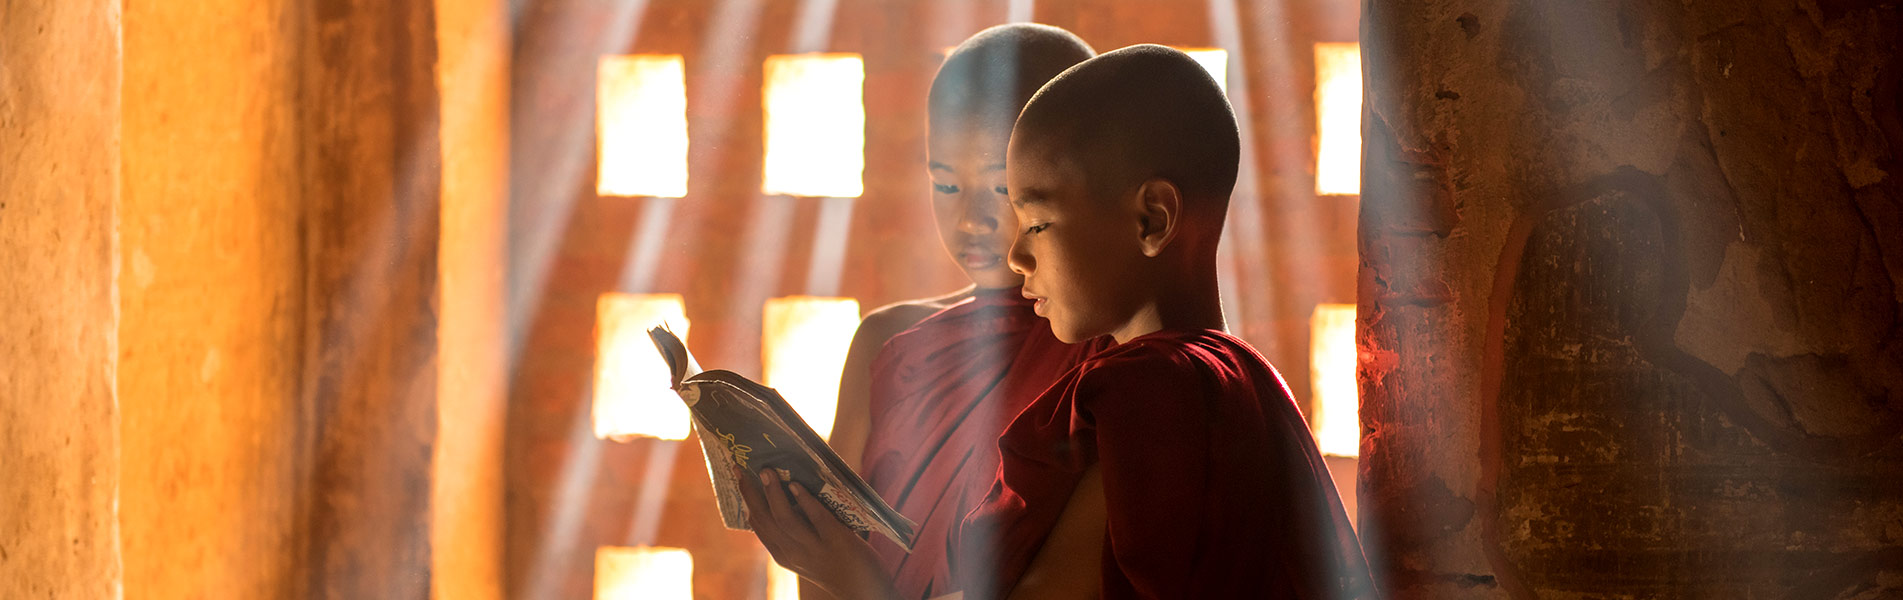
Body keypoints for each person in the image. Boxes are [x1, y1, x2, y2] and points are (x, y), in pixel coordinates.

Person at [952, 44, 1377, 599]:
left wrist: (845, 567)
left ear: (1153, 218)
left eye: (1036, 224)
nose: (1015, 256)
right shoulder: (1250, 378)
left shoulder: (1149, 389)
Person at [786, 23, 1102, 600]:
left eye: (1002, 189)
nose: (971, 220)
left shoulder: (1108, 351)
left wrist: (855, 583)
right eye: (947, 186)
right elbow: (824, 562)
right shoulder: (888, 342)